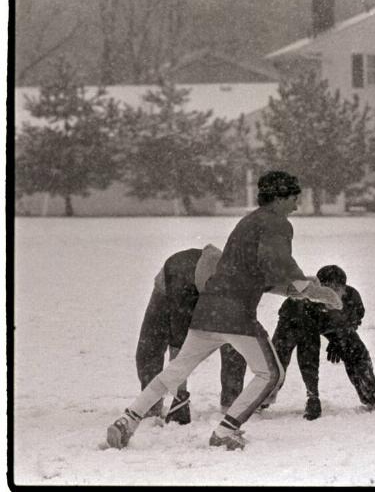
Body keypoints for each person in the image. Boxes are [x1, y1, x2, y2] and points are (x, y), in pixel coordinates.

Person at [105, 171, 342, 451]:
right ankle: (226, 430)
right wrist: (317, 292)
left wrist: (300, 289)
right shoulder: (276, 223)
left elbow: (258, 274)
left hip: (207, 310)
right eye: (293, 198)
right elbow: (281, 263)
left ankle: (127, 421)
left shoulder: (248, 222)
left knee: (176, 371)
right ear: (278, 198)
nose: (296, 205)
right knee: (271, 374)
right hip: (236, 314)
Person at [135, 244, 246, 425]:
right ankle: (150, 406)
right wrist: (181, 395)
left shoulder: (232, 278)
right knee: (150, 347)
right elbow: (179, 343)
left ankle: (231, 403)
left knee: (234, 342)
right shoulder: (180, 281)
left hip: (207, 291)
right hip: (166, 293)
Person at [265, 264, 375, 420]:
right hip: (293, 321)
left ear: (344, 288)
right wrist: (313, 396)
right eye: (328, 291)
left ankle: (372, 397)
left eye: (338, 289)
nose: (333, 295)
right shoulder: (303, 303)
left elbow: (353, 321)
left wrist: (339, 340)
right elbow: (308, 352)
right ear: (319, 291)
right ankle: (261, 399)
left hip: (331, 325)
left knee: (356, 350)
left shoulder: (351, 298)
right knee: (278, 359)